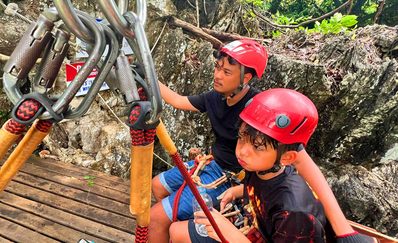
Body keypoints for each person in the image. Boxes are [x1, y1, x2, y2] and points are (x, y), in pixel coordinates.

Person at [149, 40, 371, 243]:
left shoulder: (263, 110)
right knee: (157, 187)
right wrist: (148, 76)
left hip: (230, 178)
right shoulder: (218, 99)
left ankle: (172, 221)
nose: (218, 75)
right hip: (223, 174)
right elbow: (177, 100)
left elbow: (303, 162)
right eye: (218, 68)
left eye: (227, 71)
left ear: (245, 78)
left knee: (160, 219)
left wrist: (344, 231)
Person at [170, 89, 377, 243]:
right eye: (241, 139)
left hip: (249, 236)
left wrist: (229, 233)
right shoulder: (261, 169)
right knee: (176, 231)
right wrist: (236, 192)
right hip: (254, 229)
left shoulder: (296, 214)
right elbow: (262, 192)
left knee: (178, 233)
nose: (242, 151)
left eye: (257, 147)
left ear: (287, 158)